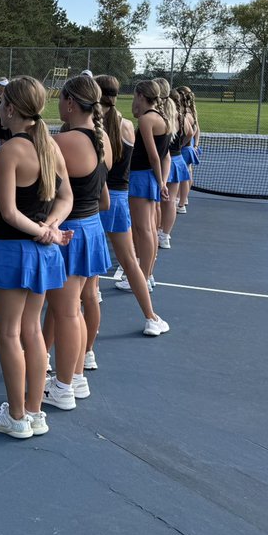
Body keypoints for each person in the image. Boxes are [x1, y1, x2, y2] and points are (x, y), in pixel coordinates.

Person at [0, 74, 73, 439]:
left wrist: (43, 229)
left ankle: (17, 417)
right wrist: (50, 228)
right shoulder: (49, 145)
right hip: (42, 254)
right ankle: (34, 413)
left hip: (13, 252)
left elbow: (9, 213)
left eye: (2, 103)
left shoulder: (10, 152)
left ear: (12, 108)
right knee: (32, 332)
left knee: (8, 335)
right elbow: (65, 198)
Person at [43, 74, 111, 410]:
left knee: (67, 312)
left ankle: (63, 387)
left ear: (70, 103)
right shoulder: (102, 139)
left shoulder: (64, 142)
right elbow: (102, 196)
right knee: (74, 309)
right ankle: (76, 377)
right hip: (91, 227)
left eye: (60, 99)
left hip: (71, 232)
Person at [95, 75, 169, 338]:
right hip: (118, 199)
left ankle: (86, 345)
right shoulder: (127, 125)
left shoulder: (93, 124)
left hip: (96, 200)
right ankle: (151, 317)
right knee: (129, 260)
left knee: (90, 266)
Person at [121, 80, 170, 297]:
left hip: (142, 177)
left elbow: (153, 155)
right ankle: (146, 275)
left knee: (143, 230)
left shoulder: (147, 119)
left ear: (141, 95)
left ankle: (143, 277)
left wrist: (160, 183)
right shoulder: (163, 118)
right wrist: (160, 181)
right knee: (147, 228)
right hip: (148, 177)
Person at [158, 89, 193, 251]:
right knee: (170, 201)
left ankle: (159, 231)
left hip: (167, 160)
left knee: (158, 202)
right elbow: (190, 133)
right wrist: (181, 144)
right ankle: (165, 235)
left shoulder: (162, 119)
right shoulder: (182, 117)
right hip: (177, 159)